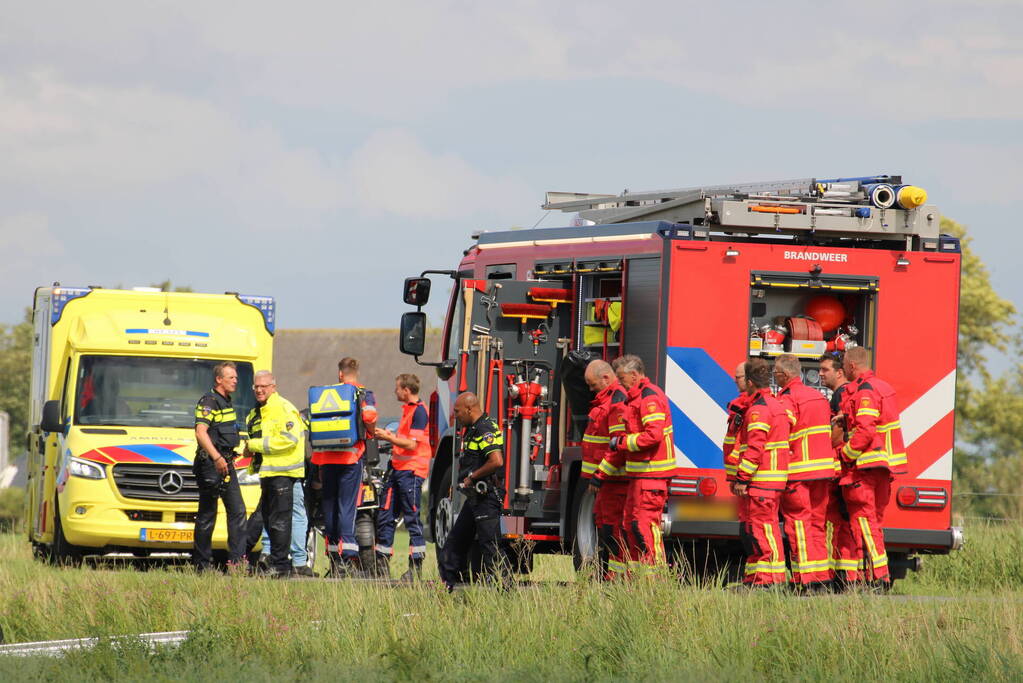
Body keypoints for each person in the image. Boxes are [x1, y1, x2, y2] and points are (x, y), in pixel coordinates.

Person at [592, 355, 675, 571]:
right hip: (640, 476)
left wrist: (622, 442)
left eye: (622, 378)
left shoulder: (649, 398)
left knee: (643, 526)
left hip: (651, 476)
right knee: (631, 526)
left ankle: (654, 579)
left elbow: (653, 435)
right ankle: (637, 577)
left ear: (635, 375)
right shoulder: (636, 398)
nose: (619, 384)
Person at [840, 346, 906, 588]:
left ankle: (880, 578)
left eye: (844, 365)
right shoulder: (883, 387)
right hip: (882, 468)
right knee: (873, 523)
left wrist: (846, 454)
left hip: (865, 468)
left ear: (853, 366)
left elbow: (866, 430)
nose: (843, 369)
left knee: (866, 523)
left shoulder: (864, 392)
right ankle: (868, 576)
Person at [311, 357, 378, 577]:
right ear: (356, 373)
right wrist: (371, 430)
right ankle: (347, 559)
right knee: (347, 508)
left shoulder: (327, 392)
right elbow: (369, 416)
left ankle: (334, 559)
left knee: (329, 508)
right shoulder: (363, 393)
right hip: (350, 459)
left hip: (326, 459)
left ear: (340, 374)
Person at [773, 354, 835, 591]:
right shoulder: (817, 396)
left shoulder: (788, 398)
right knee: (817, 525)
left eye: (776, 373)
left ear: (785, 375)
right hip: (822, 472)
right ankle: (822, 578)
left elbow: (781, 429)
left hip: (798, 472)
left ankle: (806, 579)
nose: (775, 377)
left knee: (798, 525)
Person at [438, 392, 508, 590]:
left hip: (486, 497)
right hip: (475, 499)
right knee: (454, 542)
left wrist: (472, 477)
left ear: (469, 409)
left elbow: (496, 461)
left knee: (491, 546)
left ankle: (505, 591)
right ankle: (446, 586)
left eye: (458, 412)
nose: (456, 416)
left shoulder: (484, 428)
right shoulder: (474, 428)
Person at [241, 371, 307, 578]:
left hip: (284, 472)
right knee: (267, 520)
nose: (259, 390)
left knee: (279, 521)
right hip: (267, 473)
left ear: (273, 387)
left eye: (264, 386)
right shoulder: (256, 413)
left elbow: (290, 439)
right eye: (256, 387)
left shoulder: (284, 408)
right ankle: (264, 562)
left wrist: (254, 445)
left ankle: (281, 566)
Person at [732, 358, 790, 587]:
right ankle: (757, 578)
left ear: (749, 381)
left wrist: (742, 478)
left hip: (762, 480)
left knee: (763, 529)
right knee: (757, 530)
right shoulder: (773, 403)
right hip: (768, 480)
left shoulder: (759, 409)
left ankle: (769, 580)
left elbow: (755, 449)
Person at [373, 373, 432, 581]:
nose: (395, 391)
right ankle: (381, 567)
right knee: (385, 515)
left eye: (397, 388)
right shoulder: (408, 410)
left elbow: (412, 444)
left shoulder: (420, 413)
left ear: (406, 390)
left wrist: (388, 436)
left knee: (412, 519)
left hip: (412, 471)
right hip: (398, 469)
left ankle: (415, 570)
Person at [192, 361, 247, 571]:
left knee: (238, 511)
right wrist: (216, 458)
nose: (235, 381)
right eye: (231, 377)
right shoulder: (209, 401)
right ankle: (202, 565)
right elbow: (200, 432)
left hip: (226, 463)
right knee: (207, 514)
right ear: (219, 379)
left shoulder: (226, 401)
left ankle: (237, 564)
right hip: (211, 464)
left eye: (235, 377)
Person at [582, 359, 629, 579]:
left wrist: (599, 475)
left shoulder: (617, 402)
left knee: (613, 529)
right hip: (605, 480)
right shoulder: (606, 400)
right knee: (603, 526)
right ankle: (607, 574)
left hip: (613, 480)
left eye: (592, 385)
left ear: (606, 378)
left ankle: (614, 576)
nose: (590, 390)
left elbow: (617, 445)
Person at [820, 352, 858, 587]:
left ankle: (845, 576)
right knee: (844, 523)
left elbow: (838, 433)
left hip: (843, 468)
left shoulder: (841, 394)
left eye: (825, 370)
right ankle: (846, 575)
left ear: (840, 372)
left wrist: (824, 447)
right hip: (847, 468)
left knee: (843, 523)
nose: (821, 374)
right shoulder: (845, 393)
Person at [723, 362, 751, 481]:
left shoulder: (744, 405)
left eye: (738, 377)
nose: (735, 380)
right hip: (740, 473)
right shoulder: (741, 404)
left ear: (748, 378)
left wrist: (741, 476)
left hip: (743, 473)